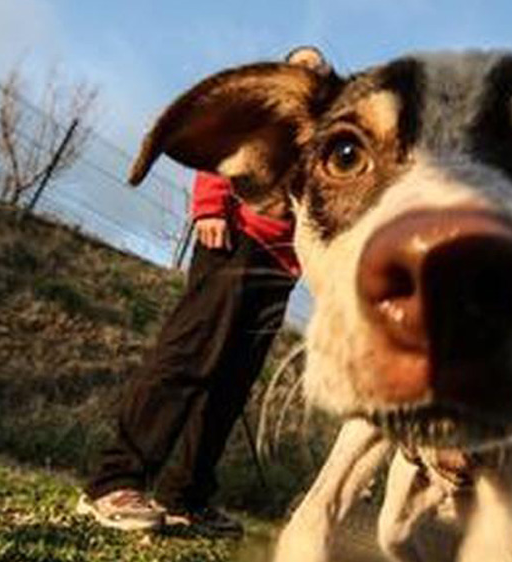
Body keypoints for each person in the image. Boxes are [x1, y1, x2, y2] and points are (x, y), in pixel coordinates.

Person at [75, 47, 330, 535]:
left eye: (320, 70)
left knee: (233, 382)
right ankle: (113, 482)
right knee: (188, 358)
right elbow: (223, 152)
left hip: (282, 266)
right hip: (236, 243)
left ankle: (185, 498)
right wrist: (211, 207)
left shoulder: (320, 134)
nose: (312, 75)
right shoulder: (260, 113)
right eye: (303, 66)